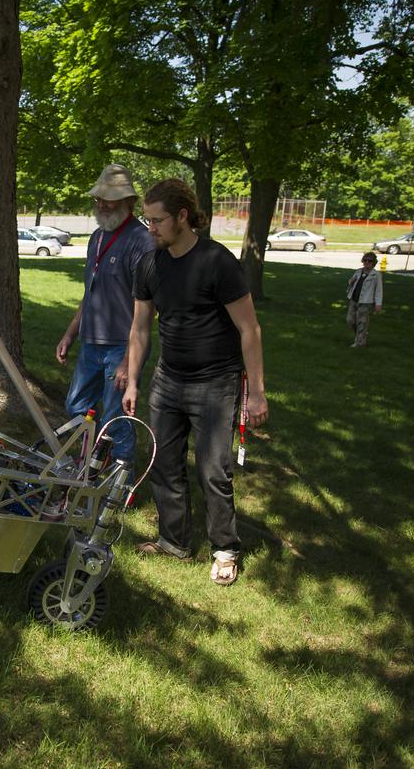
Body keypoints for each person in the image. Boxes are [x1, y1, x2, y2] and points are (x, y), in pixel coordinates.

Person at [122, 178, 268, 587]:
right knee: (164, 465)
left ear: (183, 217)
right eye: (147, 220)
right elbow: (139, 329)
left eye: (157, 221)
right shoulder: (149, 263)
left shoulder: (216, 262)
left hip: (215, 383)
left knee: (212, 469)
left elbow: (249, 329)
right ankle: (174, 542)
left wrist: (256, 393)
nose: (149, 229)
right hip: (168, 380)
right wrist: (133, 381)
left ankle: (225, 549)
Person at [55, 163, 153, 465]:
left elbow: (148, 309)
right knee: (76, 405)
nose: (100, 204)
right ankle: (94, 459)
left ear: (128, 202)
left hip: (123, 345)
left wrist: (129, 359)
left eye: (108, 199)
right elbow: (91, 290)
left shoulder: (142, 241)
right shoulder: (97, 237)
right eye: (98, 198)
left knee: (116, 416)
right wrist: (71, 333)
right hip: (91, 342)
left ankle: (120, 479)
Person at [345, 252, 383, 347]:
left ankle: (359, 343)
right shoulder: (358, 271)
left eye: (369, 260)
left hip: (366, 302)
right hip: (354, 300)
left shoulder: (376, 275)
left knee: (361, 322)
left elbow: (379, 290)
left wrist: (378, 304)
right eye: (365, 260)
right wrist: (351, 282)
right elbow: (351, 283)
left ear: (373, 263)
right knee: (350, 320)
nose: (367, 262)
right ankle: (361, 335)